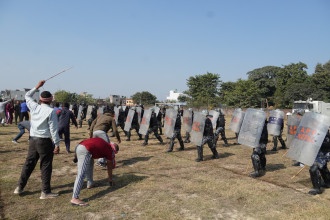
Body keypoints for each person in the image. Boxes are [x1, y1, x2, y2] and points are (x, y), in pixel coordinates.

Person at [14, 80, 60, 200]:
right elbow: (53, 129)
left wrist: (37, 86)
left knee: (28, 164)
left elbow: (27, 95)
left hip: (33, 140)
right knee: (45, 166)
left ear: (40, 99)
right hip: (44, 141)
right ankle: (45, 192)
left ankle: (19, 187)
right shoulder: (51, 111)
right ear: (50, 100)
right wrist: (57, 143)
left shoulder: (34, 107)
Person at [71, 137, 118, 207]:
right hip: (85, 149)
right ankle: (75, 198)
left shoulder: (105, 143)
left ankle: (90, 183)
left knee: (90, 161)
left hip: (79, 146)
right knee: (81, 174)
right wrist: (110, 179)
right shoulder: (110, 149)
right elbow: (109, 166)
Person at [308, 130, 330, 195]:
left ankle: (316, 188)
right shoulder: (314, 126)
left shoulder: (323, 127)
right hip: (318, 150)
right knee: (322, 167)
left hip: (324, 151)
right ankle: (328, 182)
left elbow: (327, 142)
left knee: (313, 169)